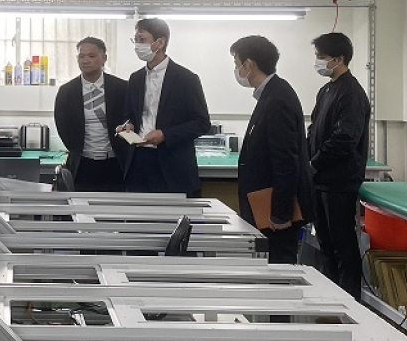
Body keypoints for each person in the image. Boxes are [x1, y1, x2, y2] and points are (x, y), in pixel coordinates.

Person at [230, 35, 314, 264]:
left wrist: (280, 213)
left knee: (279, 265)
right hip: (264, 206)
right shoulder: (270, 94)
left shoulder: (278, 99)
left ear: (249, 64)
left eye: (237, 64)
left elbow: (285, 161)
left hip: (274, 211)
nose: (236, 70)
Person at [116, 18, 210, 196]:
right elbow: (130, 115)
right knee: (138, 211)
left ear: (160, 43)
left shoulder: (186, 79)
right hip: (138, 161)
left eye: (142, 39)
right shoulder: (135, 78)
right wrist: (128, 126)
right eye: (135, 40)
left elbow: (202, 123)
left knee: (171, 212)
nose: (137, 45)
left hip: (172, 165)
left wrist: (165, 134)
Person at [308, 32, 370, 299]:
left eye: (322, 57)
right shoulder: (326, 90)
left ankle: (348, 302)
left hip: (340, 182)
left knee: (342, 244)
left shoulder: (351, 93)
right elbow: (314, 130)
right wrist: (307, 159)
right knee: (325, 243)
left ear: (339, 58)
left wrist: (315, 162)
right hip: (321, 180)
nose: (318, 62)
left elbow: (345, 138)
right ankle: (330, 299)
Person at [54, 37, 128, 192]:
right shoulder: (67, 91)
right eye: (81, 56)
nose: (85, 60)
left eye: (91, 56)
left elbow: (130, 119)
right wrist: (76, 149)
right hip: (82, 164)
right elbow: (62, 125)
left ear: (104, 58)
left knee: (116, 205)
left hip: (116, 163)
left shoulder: (122, 88)